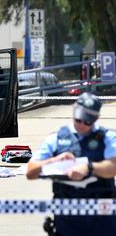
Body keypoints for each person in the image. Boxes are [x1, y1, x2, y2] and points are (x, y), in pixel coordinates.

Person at [26, 92, 116, 236]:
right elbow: (30, 172)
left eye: (88, 121)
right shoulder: (55, 138)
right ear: (74, 110)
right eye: (79, 119)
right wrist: (54, 160)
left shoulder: (107, 137)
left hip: (102, 218)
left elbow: (113, 167)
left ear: (97, 118)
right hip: (68, 221)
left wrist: (89, 168)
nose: (82, 124)